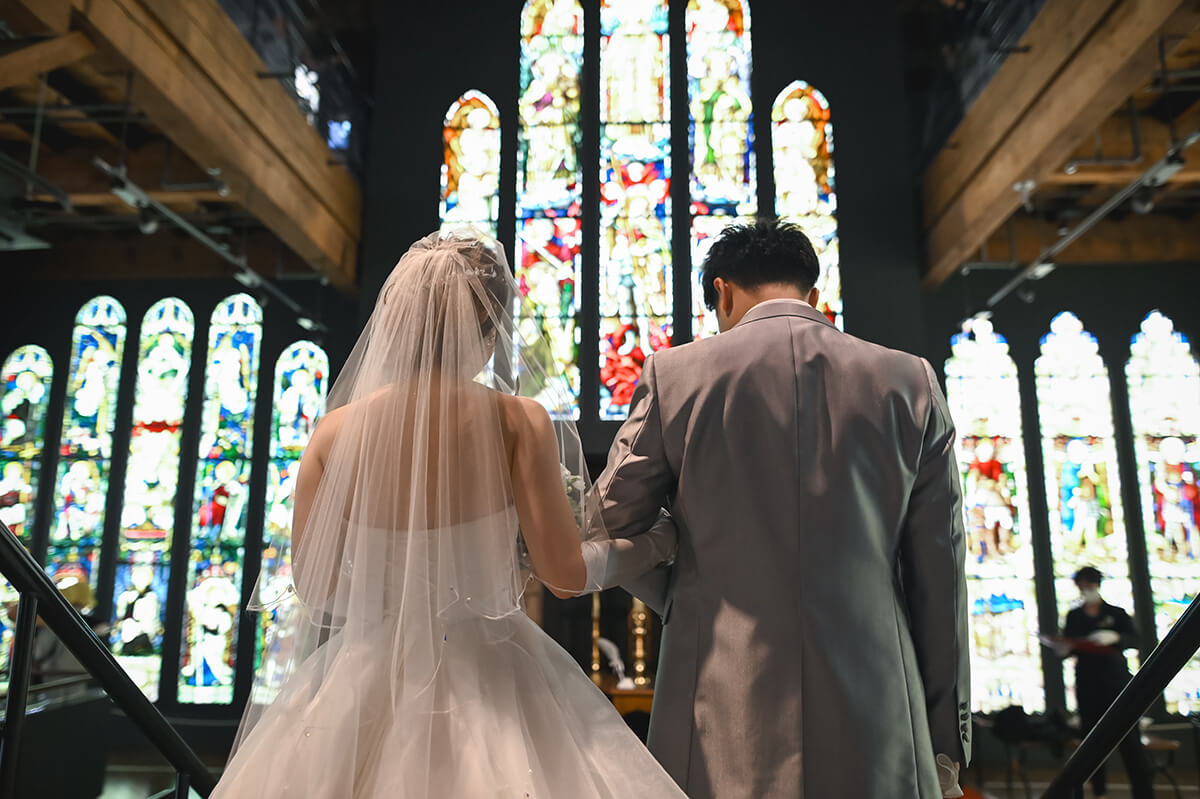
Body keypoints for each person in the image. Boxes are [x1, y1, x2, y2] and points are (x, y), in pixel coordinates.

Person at [210, 230, 683, 798]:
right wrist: (660, 542)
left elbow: (314, 587)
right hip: (488, 670)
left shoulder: (333, 433)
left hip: (363, 673)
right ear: (488, 328)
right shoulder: (517, 422)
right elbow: (564, 575)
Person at [595, 219, 971, 798]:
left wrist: (681, 584)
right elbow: (939, 571)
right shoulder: (909, 380)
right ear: (813, 294)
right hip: (877, 702)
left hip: (717, 691)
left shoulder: (677, 376)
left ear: (720, 292)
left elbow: (607, 525)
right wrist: (945, 736)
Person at [1056, 566, 1155, 799]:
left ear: (1096, 585)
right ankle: (1096, 792)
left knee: (1130, 743)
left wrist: (1116, 637)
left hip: (1116, 686)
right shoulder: (1075, 616)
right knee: (1090, 745)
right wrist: (1064, 648)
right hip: (1088, 687)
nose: (1085, 590)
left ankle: (1144, 794)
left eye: (1088, 586)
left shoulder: (1117, 613)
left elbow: (1136, 639)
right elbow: (1068, 645)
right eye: (1081, 586)